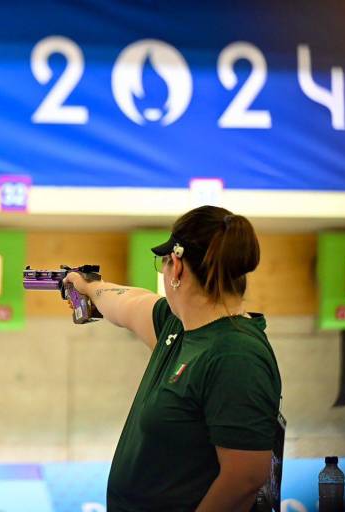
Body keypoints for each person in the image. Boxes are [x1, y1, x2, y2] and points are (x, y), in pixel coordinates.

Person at [63, 205, 282, 512]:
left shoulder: (236, 356)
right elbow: (130, 302)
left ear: (176, 267)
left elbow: (244, 477)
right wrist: (88, 285)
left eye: (163, 263)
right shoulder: (178, 326)